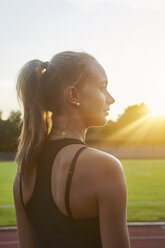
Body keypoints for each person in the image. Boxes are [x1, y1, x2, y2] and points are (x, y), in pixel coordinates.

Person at [13, 51, 131, 248]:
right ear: (73, 95)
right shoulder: (104, 167)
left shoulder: (24, 171)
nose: (111, 99)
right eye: (103, 87)